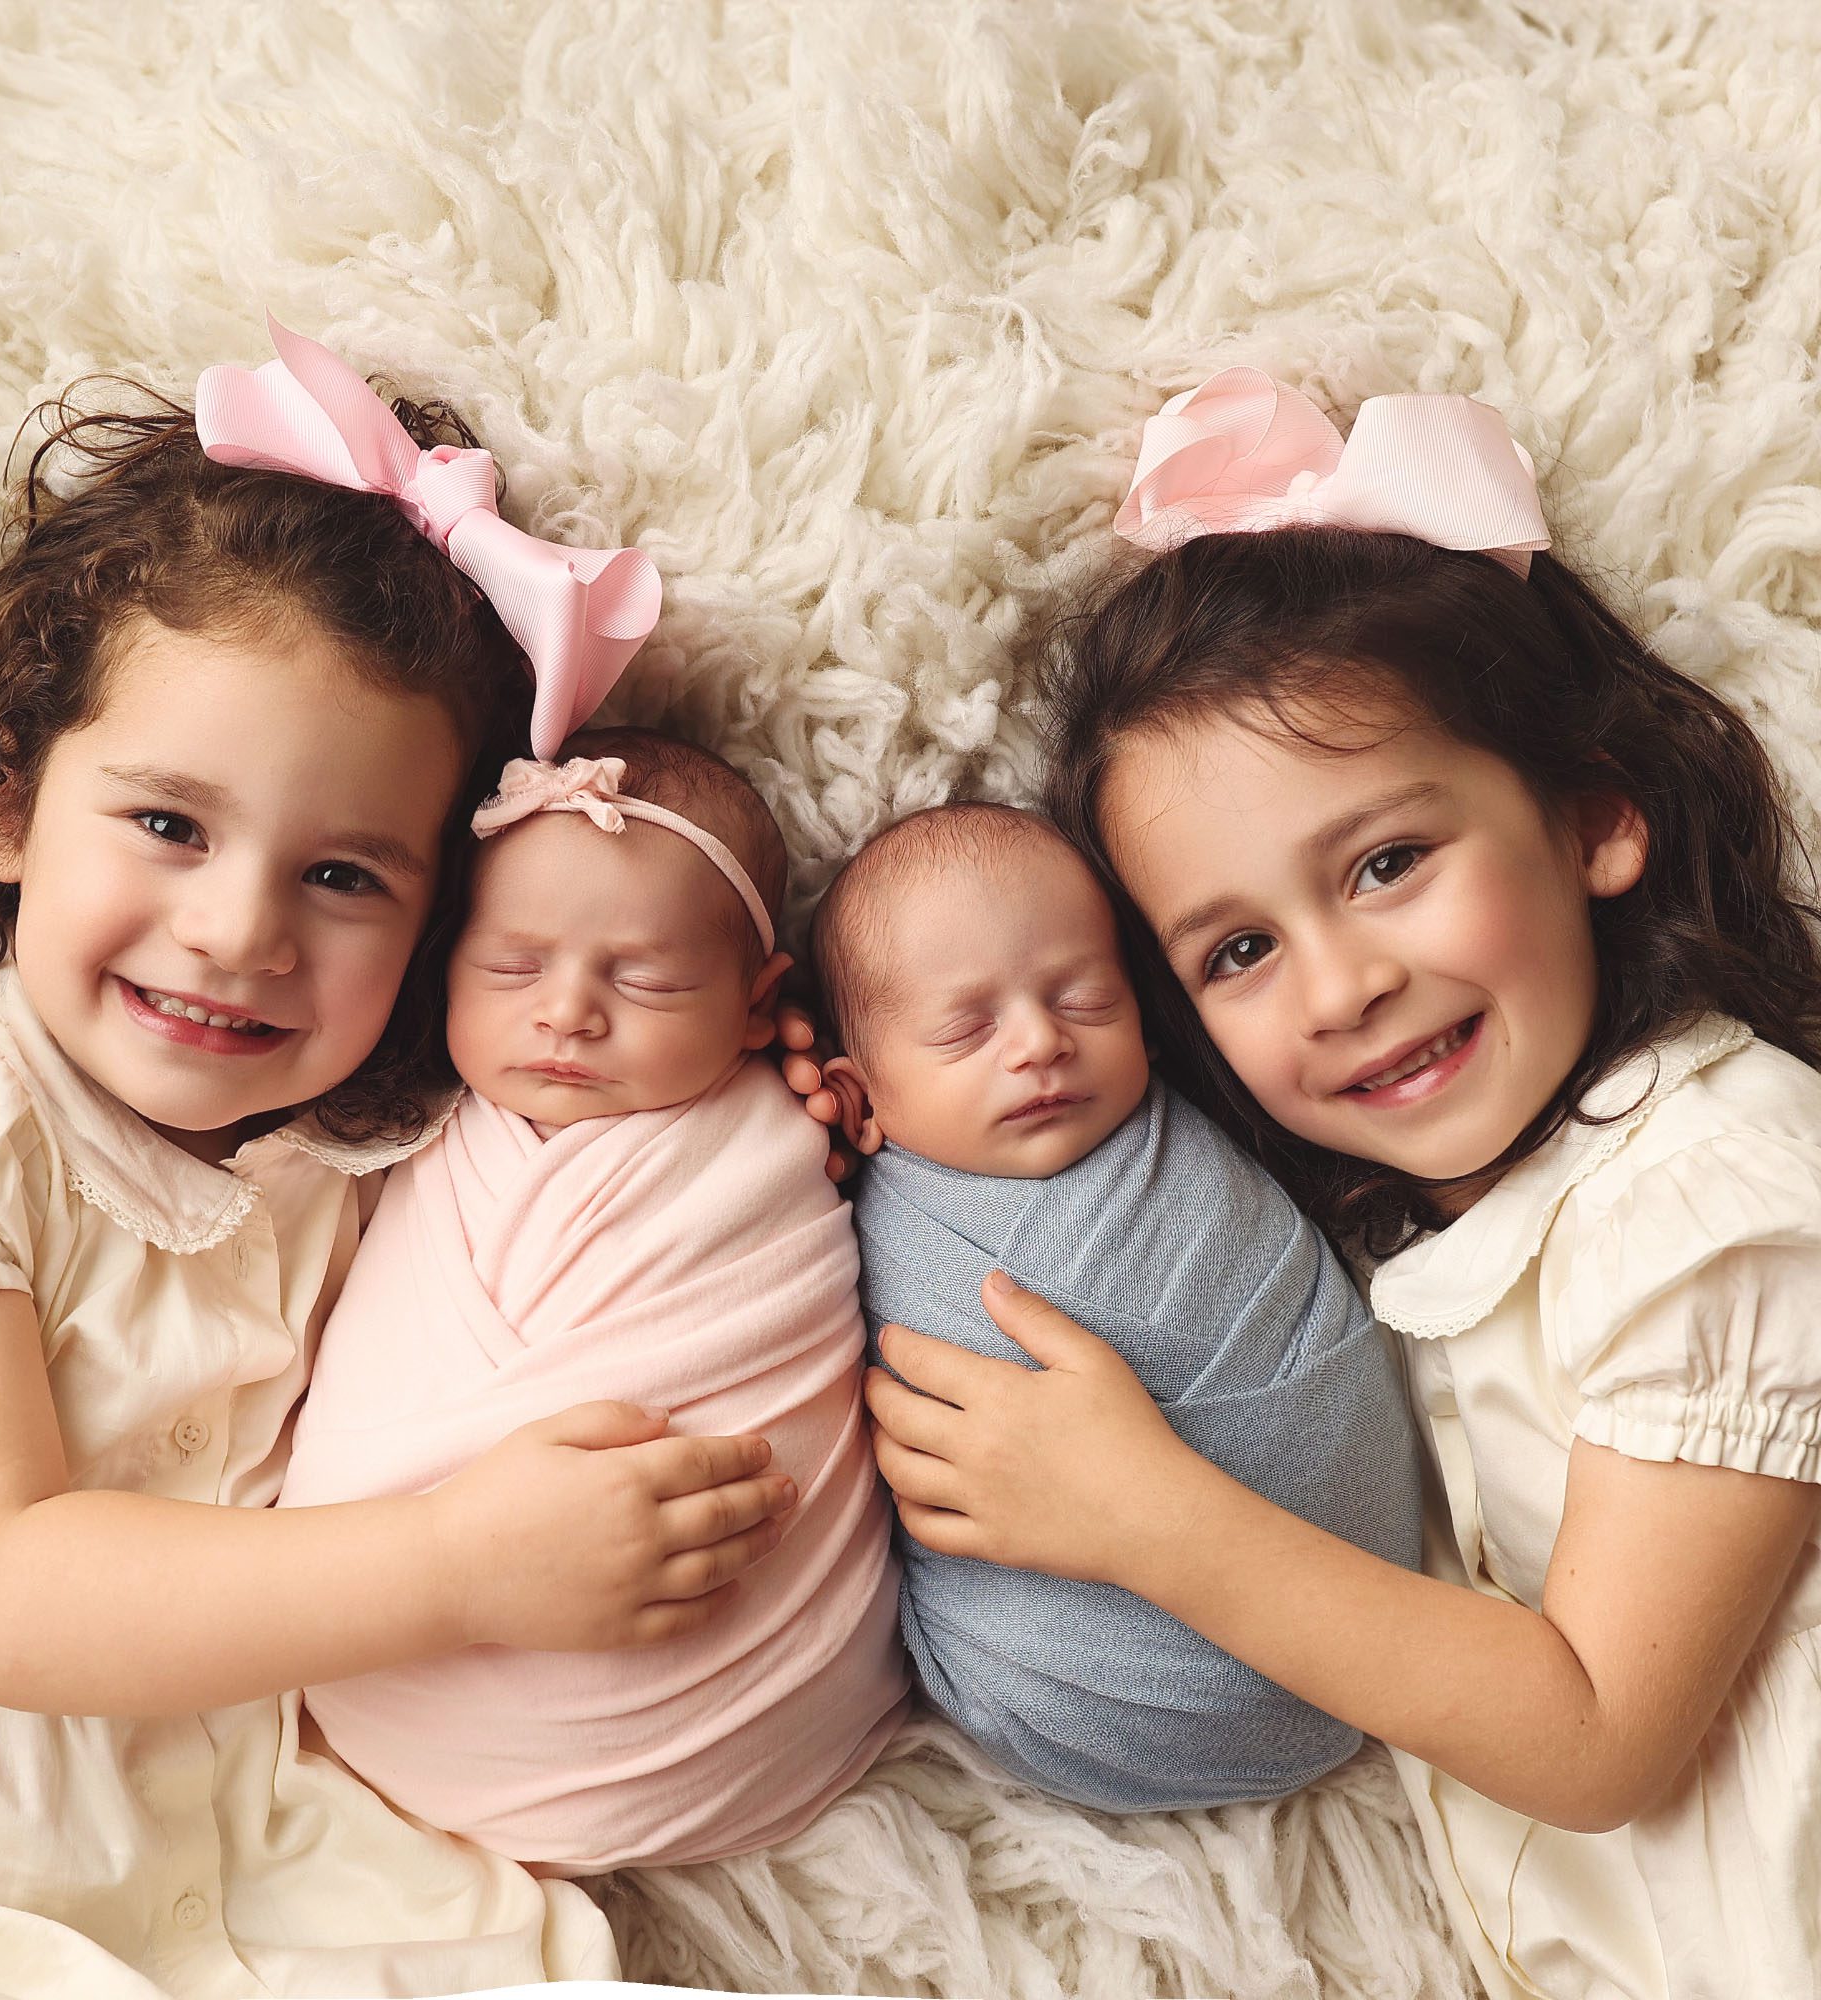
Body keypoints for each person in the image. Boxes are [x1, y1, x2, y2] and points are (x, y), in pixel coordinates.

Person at [0, 320, 796, 1998]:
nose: (238, 932)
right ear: (7, 816)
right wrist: (463, 1570)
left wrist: (780, 1093)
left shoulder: (367, 1151)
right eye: (169, 824)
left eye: (345, 877)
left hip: (286, 1870)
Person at [861, 368, 1821, 2000]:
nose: (1337, 987)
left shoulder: (1713, 1184)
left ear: (1595, 816)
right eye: (1238, 951)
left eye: (1387, 864)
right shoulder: (1436, 1232)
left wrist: (1146, 1517)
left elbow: (1595, 1735)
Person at [281, 729, 907, 1874]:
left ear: (758, 1000)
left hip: (738, 1719)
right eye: (512, 967)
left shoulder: (782, 1133)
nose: (566, 1012)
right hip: (402, 1653)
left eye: (648, 978)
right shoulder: (405, 1125)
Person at [805, 799, 1418, 1811]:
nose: (1040, 1042)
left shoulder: (1201, 1133)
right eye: (966, 1027)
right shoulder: (847, 1216)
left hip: (1366, 1631)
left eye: (1085, 999)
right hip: (1059, 1692)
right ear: (859, 1100)